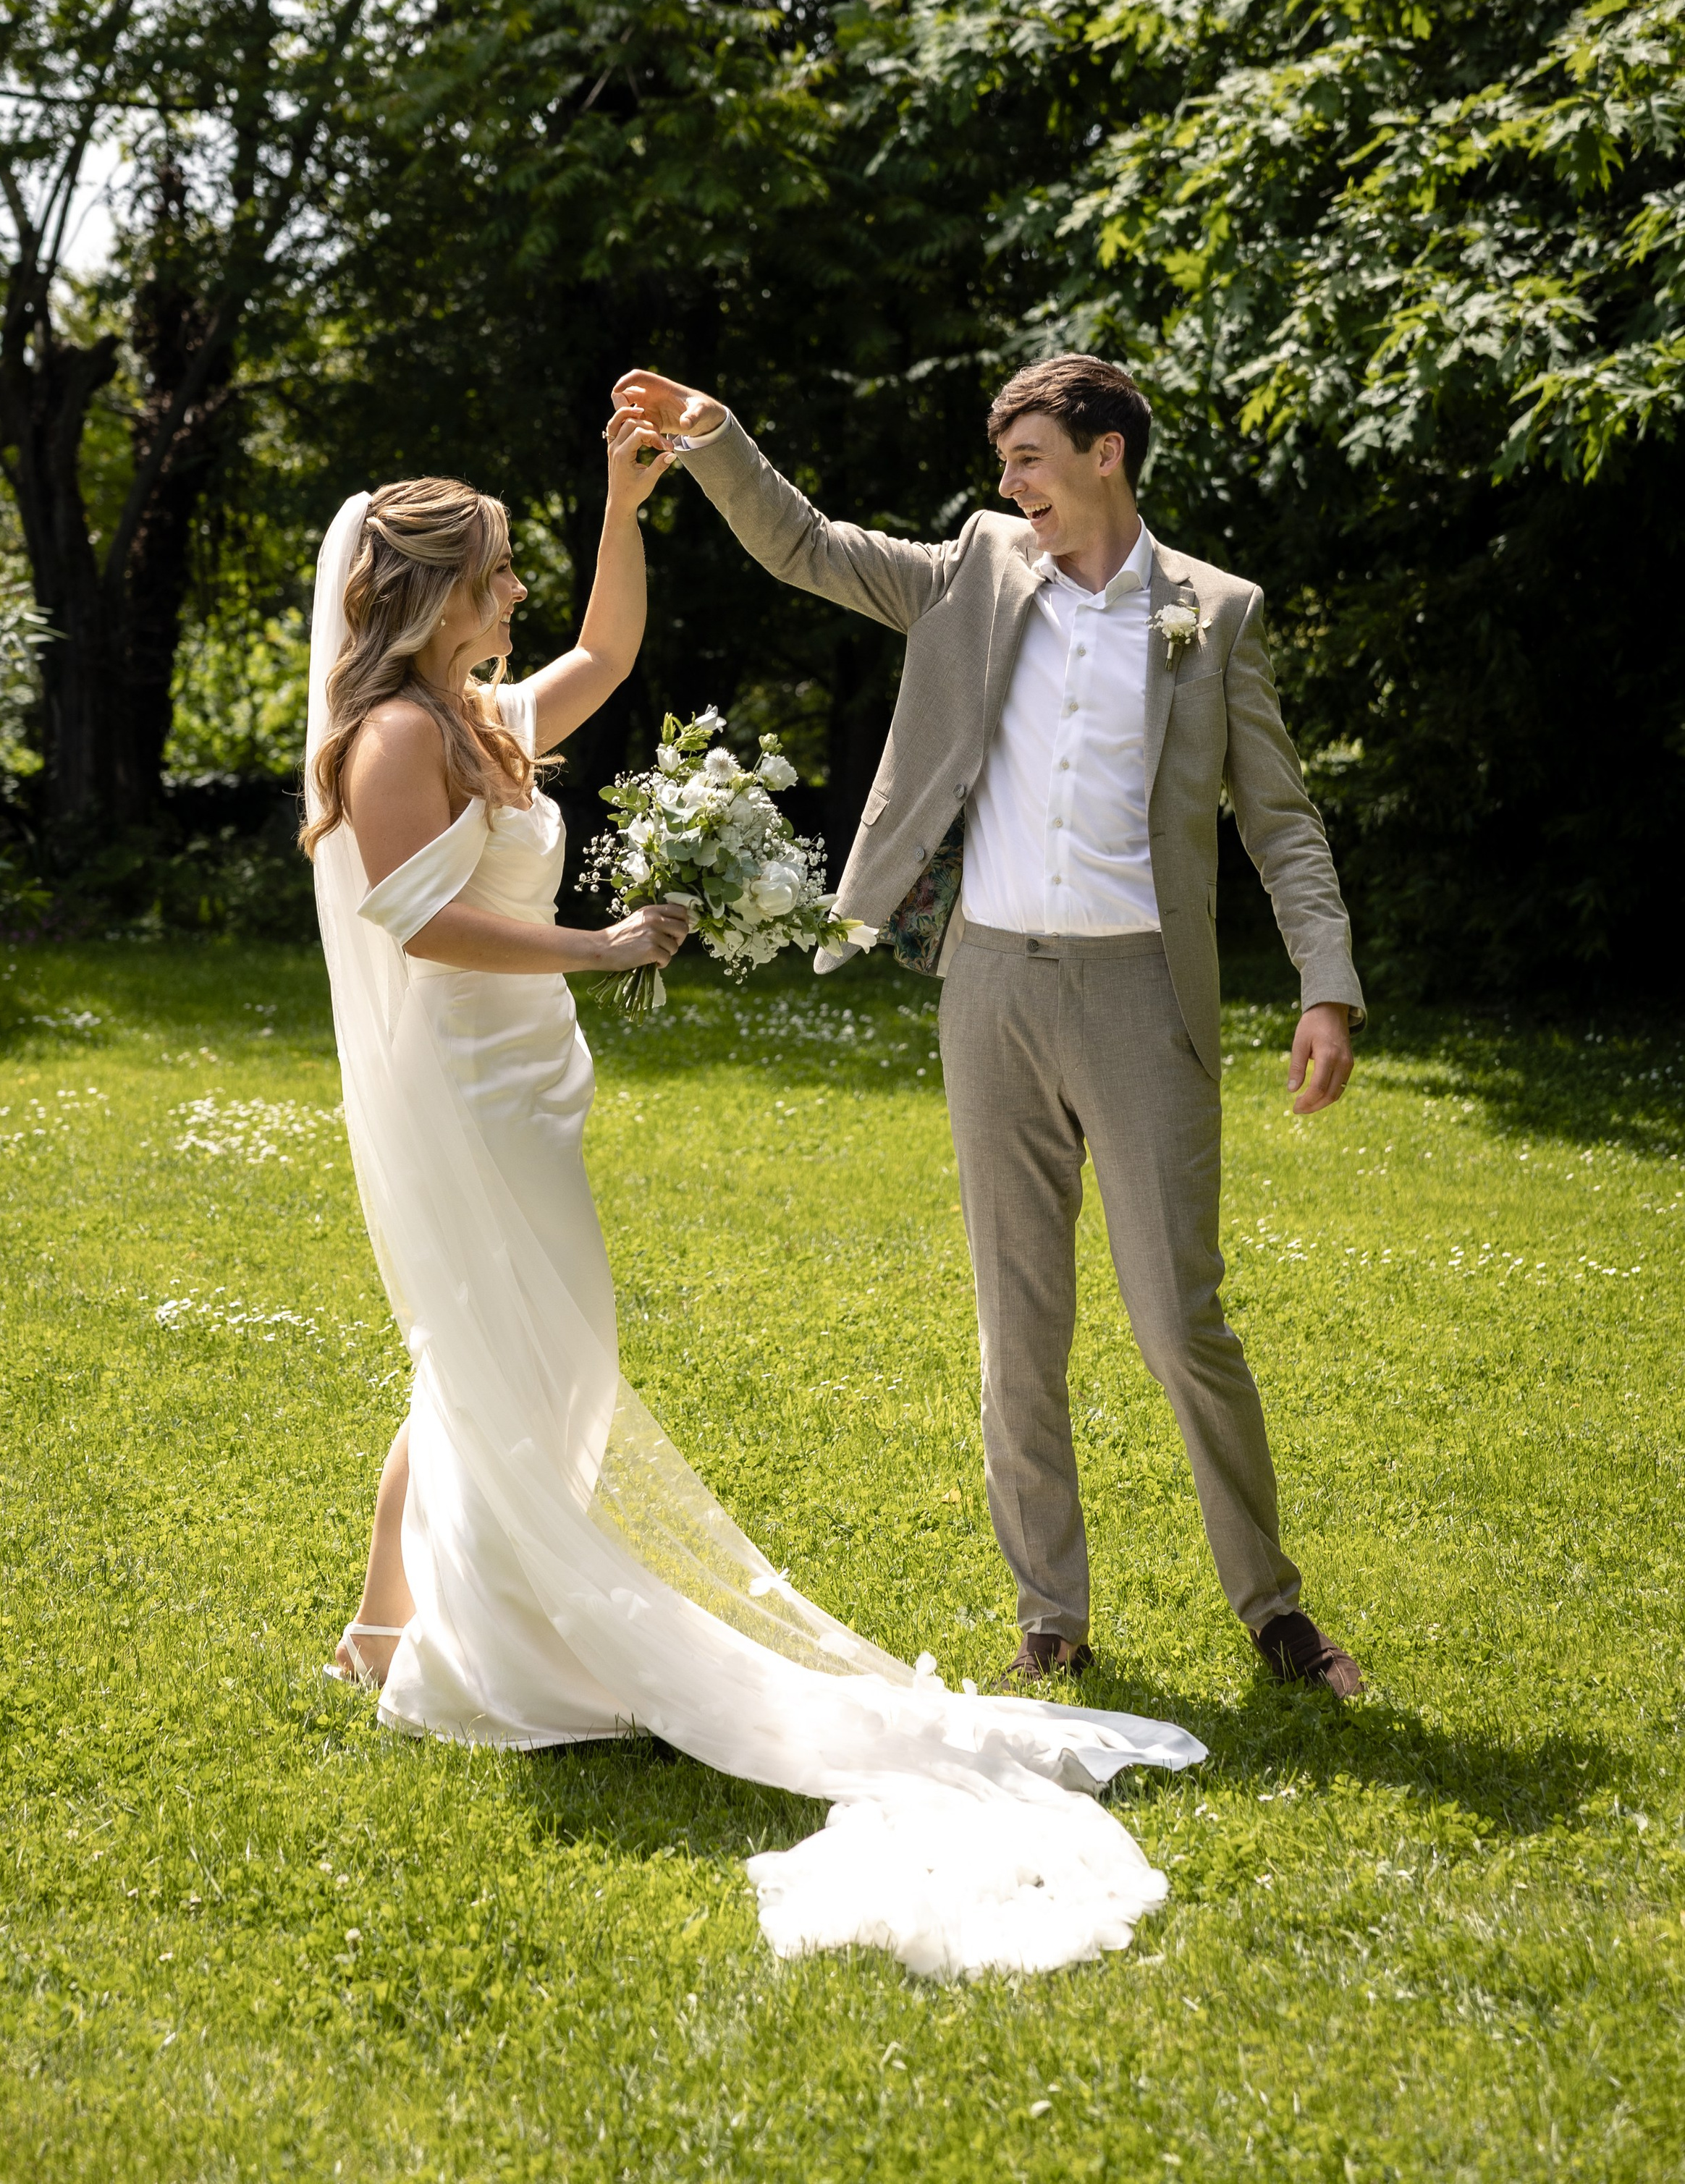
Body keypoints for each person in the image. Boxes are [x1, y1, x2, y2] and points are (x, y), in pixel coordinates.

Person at [299, 406, 1202, 1979]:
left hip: (530, 1076)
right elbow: (415, 924)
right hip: (467, 1083)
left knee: (494, 1354)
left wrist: (619, 503)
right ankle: (455, 1648)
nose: (515, 598)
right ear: (435, 590)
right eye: (497, 576)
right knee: (536, 1361)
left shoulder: (480, 715)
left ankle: (381, 1628)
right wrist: (597, 944)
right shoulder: (392, 736)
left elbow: (610, 645)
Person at [612, 354, 1368, 1700]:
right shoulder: (975, 567)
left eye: (1027, 458)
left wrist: (1326, 984)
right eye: (1004, 462)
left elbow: (1283, 822)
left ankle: (1274, 1609)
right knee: (1018, 1325)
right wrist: (716, 439)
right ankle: (1050, 1616)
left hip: (1144, 997)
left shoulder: (1216, 614)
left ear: (1105, 456)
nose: (1007, 485)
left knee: (1177, 1320)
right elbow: (806, 546)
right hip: (991, 991)